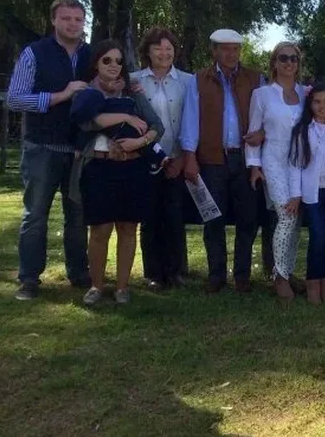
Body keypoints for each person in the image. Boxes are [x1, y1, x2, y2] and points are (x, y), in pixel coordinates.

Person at [6, 0, 92, 300]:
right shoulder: (34, 52)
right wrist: (60, 95)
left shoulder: (91, 56)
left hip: (79, 149)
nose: (72, 24)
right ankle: (29, 278)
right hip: (41, 146)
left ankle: (80, 273)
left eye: (78, 19)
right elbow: (15, 99)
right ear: (54, 20)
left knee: (79, 216)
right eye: (66, 18)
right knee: (36, 215)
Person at [69, 38, 163, 305]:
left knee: (128, 227)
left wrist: (140, 141)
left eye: (119, 61)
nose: (113, 65)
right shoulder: (86, 92)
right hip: (99, 167)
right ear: (96, 63)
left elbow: (157, 126)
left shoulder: (133, 93)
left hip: (132, 166)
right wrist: (125, 118)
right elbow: (88, 123)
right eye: (107, 60)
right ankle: (96, 286)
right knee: (100, 229)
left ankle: (122, 287)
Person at [179, 28, 262, 294]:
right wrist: (190, 157)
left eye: (235, 49)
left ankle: (242, 276)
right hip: (212, 159)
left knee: (248, 219)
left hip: (246, 159)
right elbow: (191, 120)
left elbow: (267, 114)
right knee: (213, 219)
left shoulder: (254, 79)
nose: (231, 54)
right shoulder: (199, 80)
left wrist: (262, 133)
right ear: (214, 51)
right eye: (225, 49)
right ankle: (216, 275)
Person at [245, 42, 307, 300]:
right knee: (286, 216)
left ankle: (288, 271)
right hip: (273, 159)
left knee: (296, 221)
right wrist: (254, 166)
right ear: (274, 62)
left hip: (302, 162)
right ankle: (279, 276)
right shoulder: (262, 95)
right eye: (283, 58)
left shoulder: (307, 93)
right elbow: (253, 132)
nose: (289, 63)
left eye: (293, 58)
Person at [134, 27, 194, 290]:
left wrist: (180, 157)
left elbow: (192, 122)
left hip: (175, 159)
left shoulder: (188, 82)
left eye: (169, 48)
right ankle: (154, 274)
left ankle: (177, 271)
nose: (164, 52)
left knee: (174, 215)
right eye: (158, 47)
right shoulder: (134, 80)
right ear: (147, 51)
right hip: (144, 159)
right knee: (149, 217)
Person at [286, 86, 325, 305]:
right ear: (310, 105)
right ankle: (312, 283)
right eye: (317, 102)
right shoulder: (302, 130)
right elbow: (295, 165)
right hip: (311, 194)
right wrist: (295, 194)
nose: (322, 107)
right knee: (318, 237)